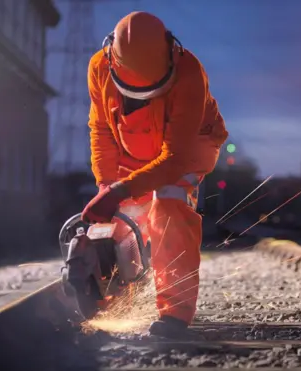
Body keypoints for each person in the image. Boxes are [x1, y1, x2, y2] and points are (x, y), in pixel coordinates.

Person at [80, 11, 228, 337]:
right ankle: (115, 297)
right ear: (112, 59)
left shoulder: (190, 72)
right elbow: (101, 130)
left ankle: (175, 314)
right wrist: (107, 187)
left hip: (190, 146)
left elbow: (174, 160)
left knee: (169, 205)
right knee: (120, 218)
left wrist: (120, 190)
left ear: (170, 56)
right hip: (133, 148)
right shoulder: (99, 68)